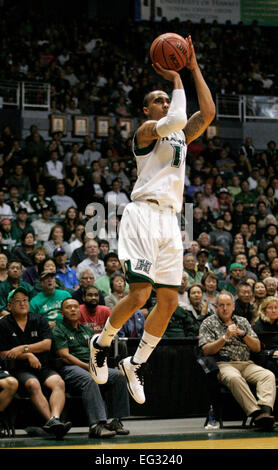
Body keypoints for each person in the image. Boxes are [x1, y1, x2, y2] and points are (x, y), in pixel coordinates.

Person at [89, 35, 215, 404]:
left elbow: (205, 113)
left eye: (166, 96)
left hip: (171, 219)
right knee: (140, 295)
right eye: (157, 99)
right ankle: (102, 342)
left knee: (170, 301)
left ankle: (136, 362)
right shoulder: (146, 133)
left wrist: (192, 68)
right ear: (147, 110)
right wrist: (176, 78)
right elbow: (177, 114)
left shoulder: (180, 135)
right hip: (143, 213)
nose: (164, 101)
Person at [199, 290, 276, 430]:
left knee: (267, 375)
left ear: (233, 306)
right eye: (221, 305)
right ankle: (256, 413)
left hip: (246, 363)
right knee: (234, 377)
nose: (225, 308)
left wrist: (243, 334)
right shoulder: (208, 323)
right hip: (223, 364)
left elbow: (257, 347)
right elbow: (206, 350)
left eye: (228, 305)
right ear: (216, 307)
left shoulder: (242, 321)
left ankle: (266, 412)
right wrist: (225, 337)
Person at [52, 298, 130, 438]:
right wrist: (90, 368)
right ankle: (96, 425)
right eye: (69, 307)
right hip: (70, 368)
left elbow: (96, 352)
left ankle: (114, 420)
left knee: (118, 375)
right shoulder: (58, 330)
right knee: (90, 379)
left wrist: (98, 365)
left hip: (90, 366)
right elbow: (65, 356)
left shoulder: (86, 330)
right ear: (62, 313)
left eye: (76, 307)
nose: (73, 310)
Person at [0, 287, 71, 438]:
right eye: (17, 301)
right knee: (33, 384)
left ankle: (55, 419)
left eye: (25, 300)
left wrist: (22, 348)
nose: (22, 303)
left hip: (43, 366)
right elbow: (4, 354)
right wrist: (28, 355)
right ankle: (52, 422)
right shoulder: (4, 324)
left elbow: (47, 344)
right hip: (18, 369)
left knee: (59, 382)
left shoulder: (38, 319)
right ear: (9, 306)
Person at [253, 296, 278, 377]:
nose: (274, 311)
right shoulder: (257, 327)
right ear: (264, 310)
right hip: (265, 359)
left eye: (276, 308)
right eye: (270, 308)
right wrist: (271, 353)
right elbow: (255, 351)